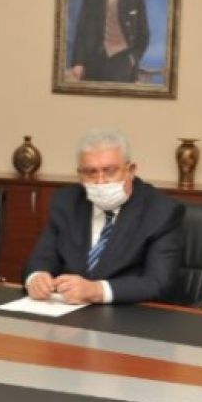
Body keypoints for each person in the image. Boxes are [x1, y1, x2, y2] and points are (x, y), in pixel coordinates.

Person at [24, 128, 183, 304]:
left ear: (130, 170)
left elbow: (158, 283)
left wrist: (97, 290)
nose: (100, 181)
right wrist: (36, 278)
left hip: (130, 312)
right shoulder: (66, 201)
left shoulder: (161, 211)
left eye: (110, 171)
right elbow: (42, 257)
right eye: (90, 172)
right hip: (68, 311)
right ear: (79, 174)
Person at [69, 0, 150, 83]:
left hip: (123, 63)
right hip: (92, 62)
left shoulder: (136, 0)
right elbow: (81, 32)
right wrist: (78, 62)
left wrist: (132, 58)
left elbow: (144, 35)